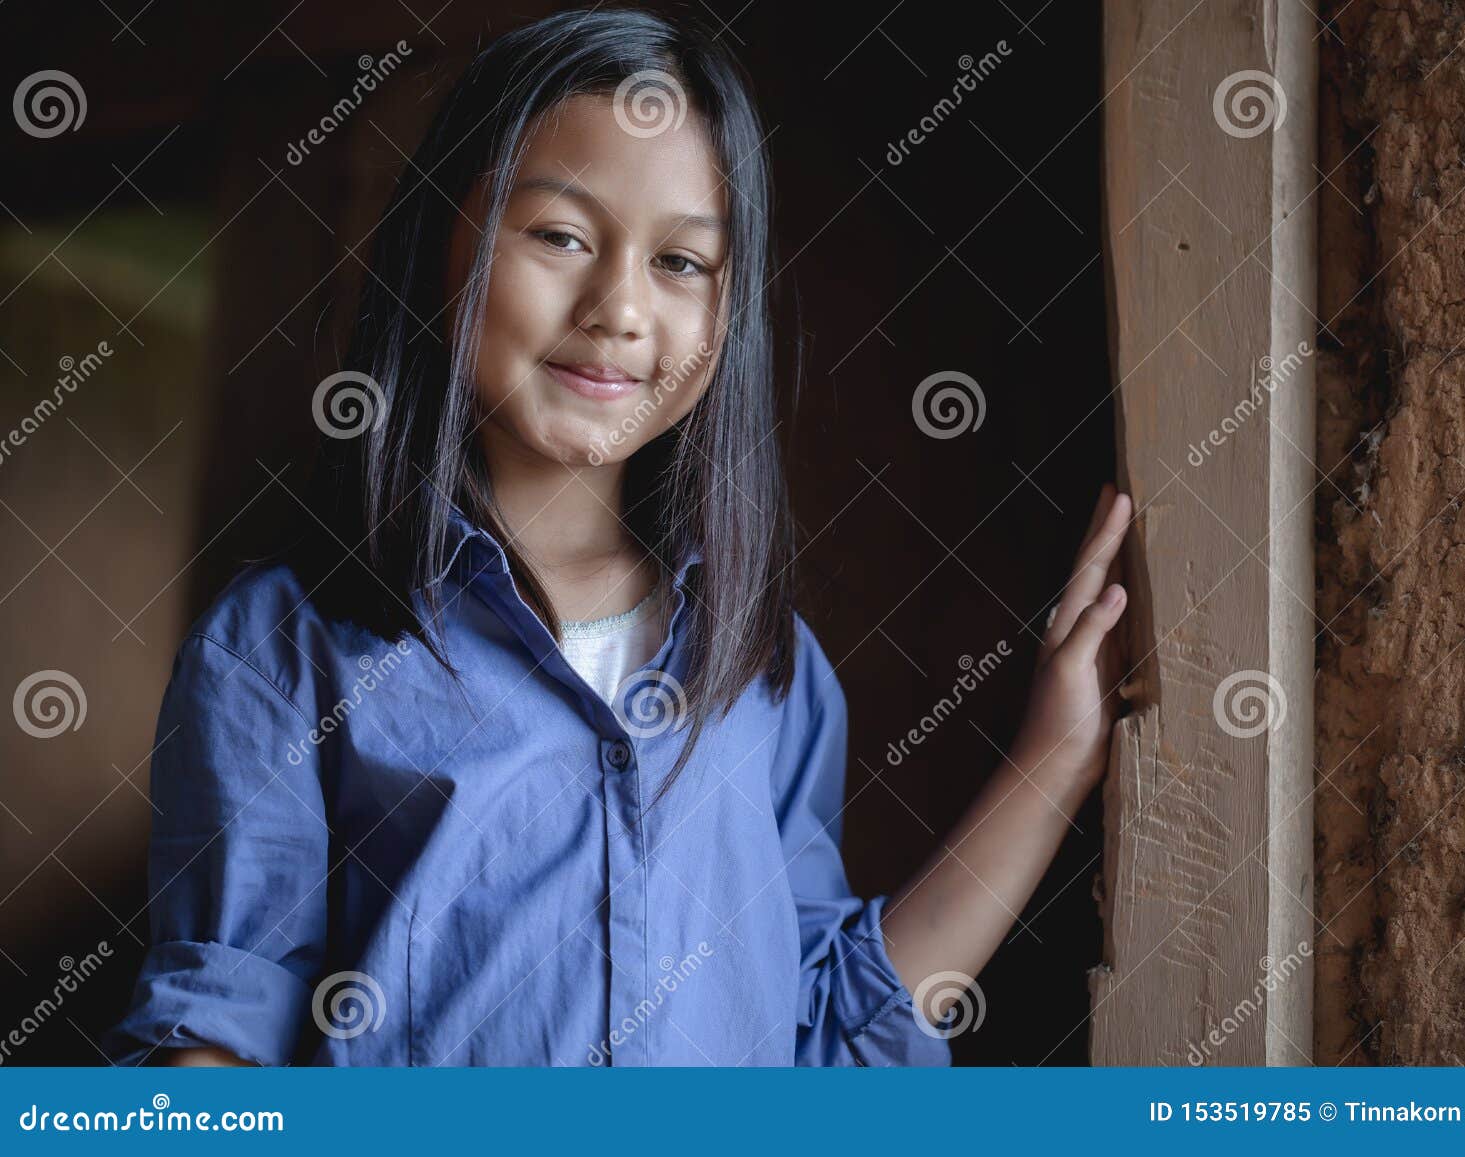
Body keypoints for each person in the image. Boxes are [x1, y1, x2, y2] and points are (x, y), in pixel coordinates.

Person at [104, 6, 1131, 1067]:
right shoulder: (281, 648)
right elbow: (221, 1034)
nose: (619, 307)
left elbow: (825, 1028)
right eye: (559, 235)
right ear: (435, 242)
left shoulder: (765, 670)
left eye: (683, 263)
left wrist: (1055, 756)